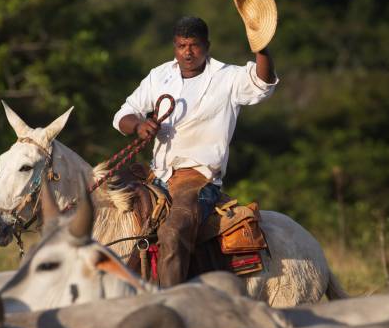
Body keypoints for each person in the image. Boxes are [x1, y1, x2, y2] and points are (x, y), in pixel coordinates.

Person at [112, 15, 277, 287]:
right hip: (157, 176)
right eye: (181, 46)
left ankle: (173, 305)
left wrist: (261, 46)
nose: (187, 52)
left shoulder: (228, 77)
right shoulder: (159, 75)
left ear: (207, 45)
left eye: (194, 45)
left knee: (173, 234)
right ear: (174, 47)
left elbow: (263, 83)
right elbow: (122, 115)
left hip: (198, 179)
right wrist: (139, 125)